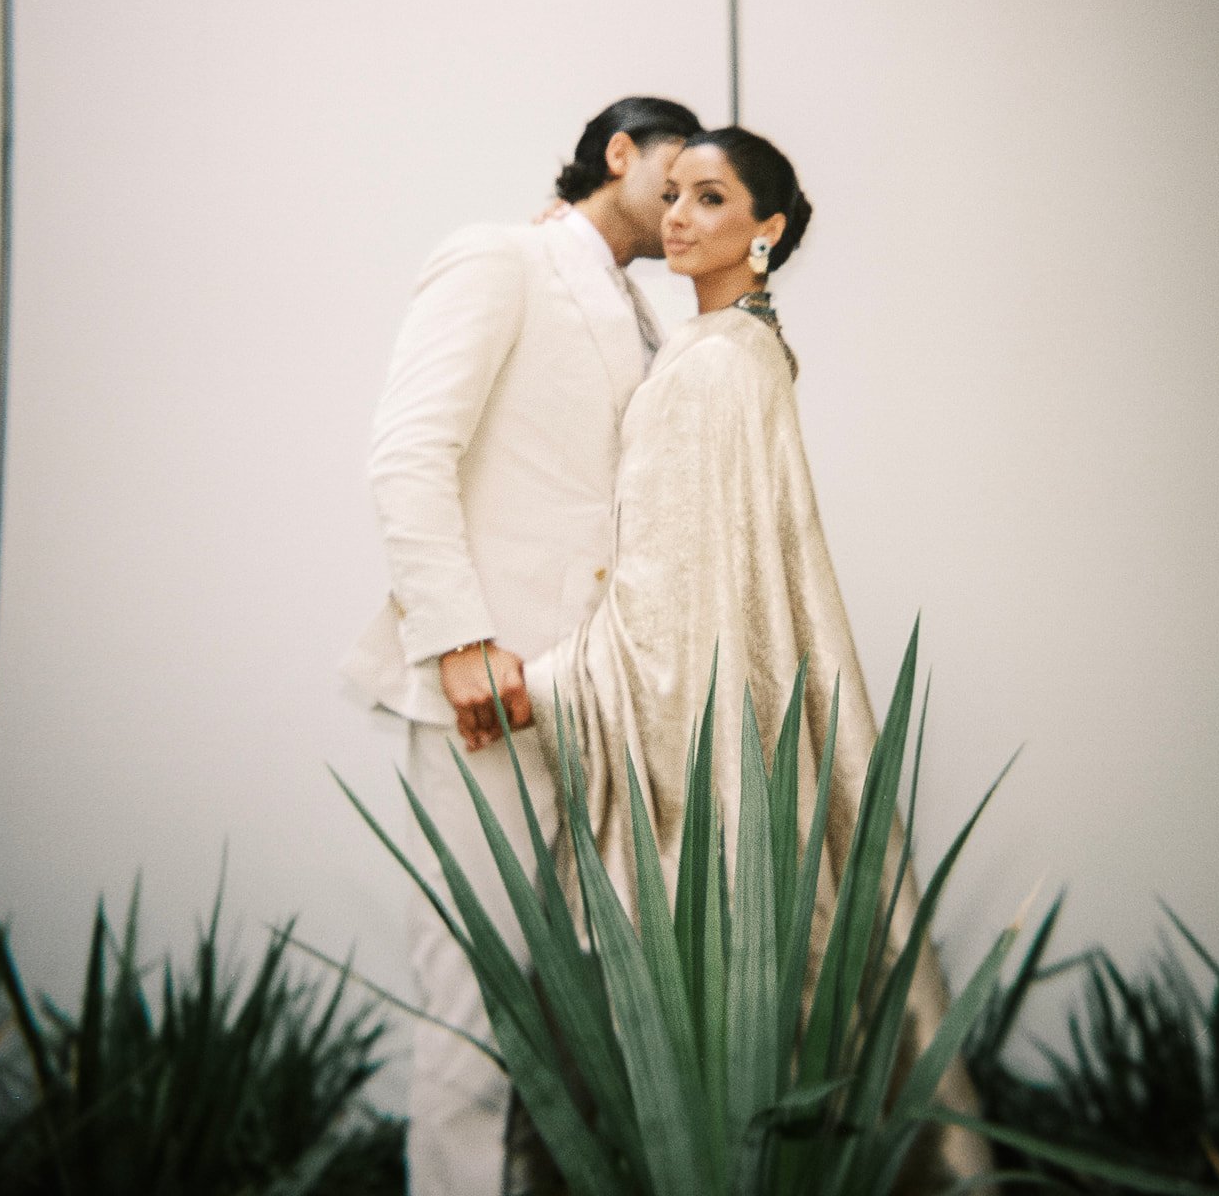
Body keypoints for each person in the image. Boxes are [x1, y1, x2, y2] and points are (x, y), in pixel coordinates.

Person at [519, 128, 993, 1184]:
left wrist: (543, 685)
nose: (680, 216)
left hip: (698, 737)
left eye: (711, 198)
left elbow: (670, 599)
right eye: (673, 194)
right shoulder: (733, 347)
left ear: (764, 230)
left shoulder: (714, 370)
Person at [339, 95, 701, 1196]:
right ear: (618, 151)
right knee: (471, 1003)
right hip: (483, 698)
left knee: (569, 1011)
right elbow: (409, 453)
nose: (684, 204)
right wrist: (458, 641)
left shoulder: (650, 318)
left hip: (591, 702)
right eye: (673, 176)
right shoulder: (499, 259)